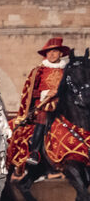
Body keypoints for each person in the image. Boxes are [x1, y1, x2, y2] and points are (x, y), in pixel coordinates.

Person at [16, 37, 71, 166]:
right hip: (43, 106)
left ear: (60, 54)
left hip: (63, 105)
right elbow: (30, 92)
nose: (51, 54)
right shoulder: (39, 71)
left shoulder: (66, 72)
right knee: (43, 120)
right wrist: (45, 93)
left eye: (55, 51)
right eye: (49, 52)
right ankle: (34, 152)